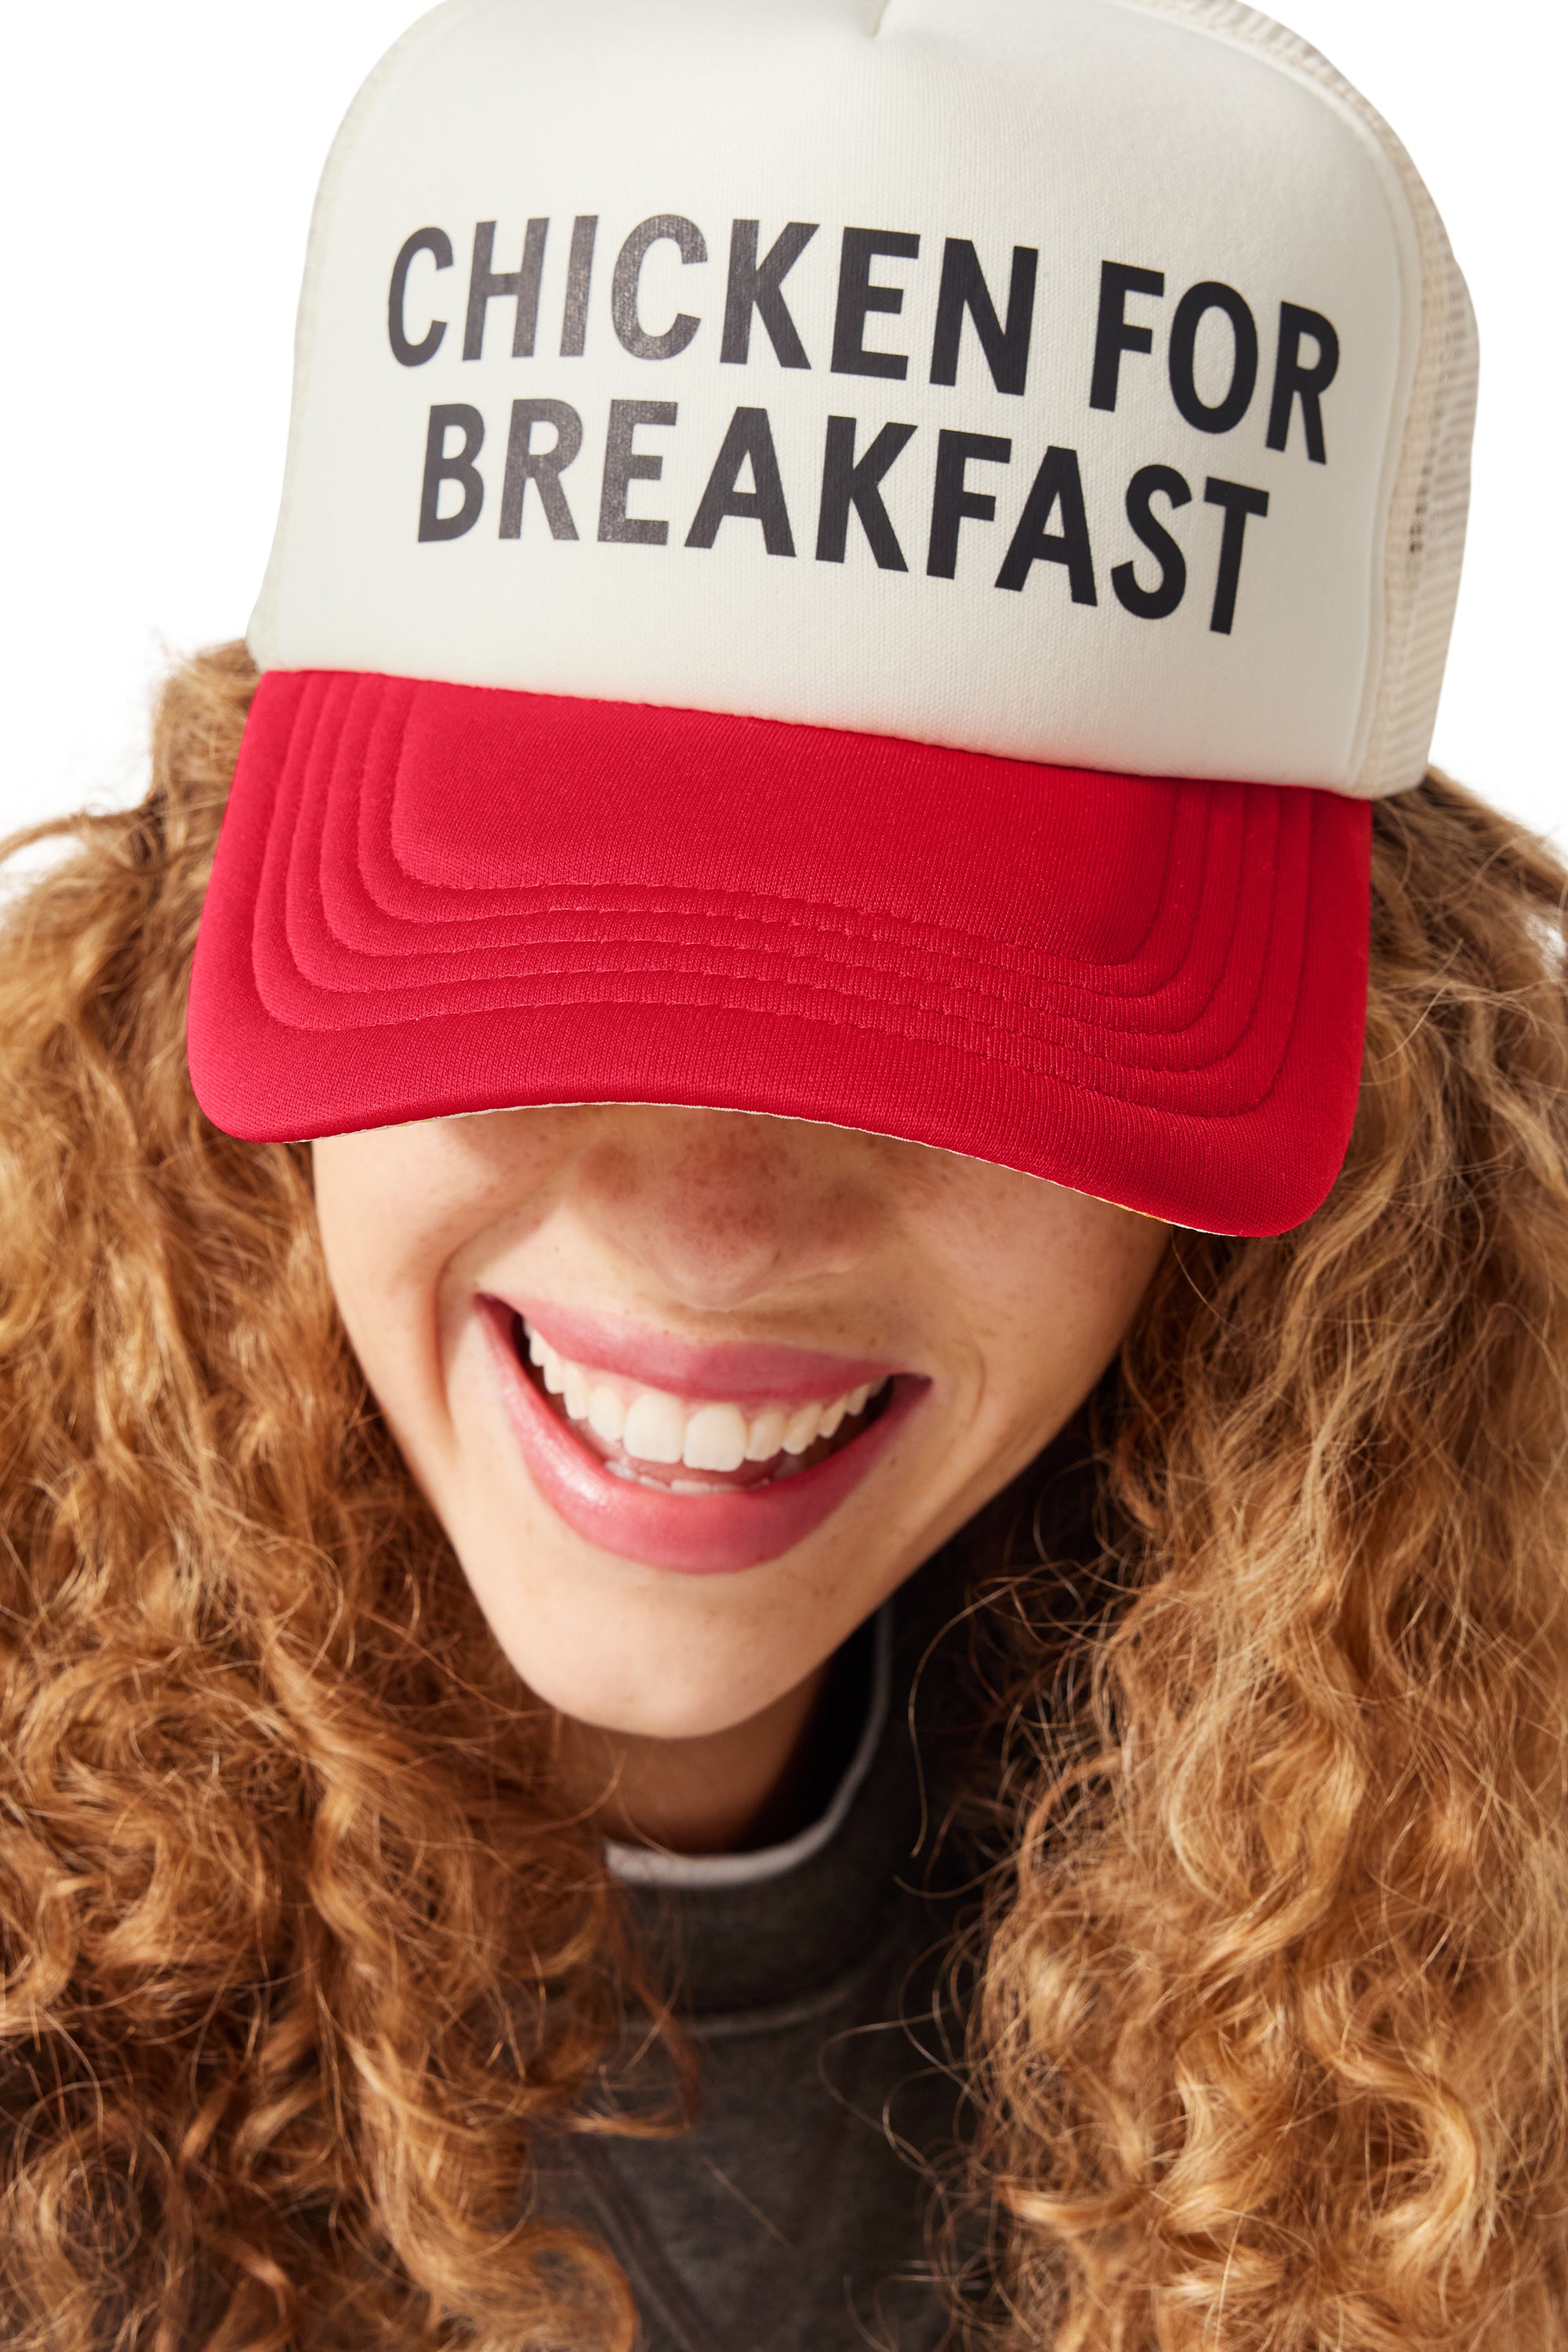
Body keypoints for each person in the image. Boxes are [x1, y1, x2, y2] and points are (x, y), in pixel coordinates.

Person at [3, 1, 1566, 2346]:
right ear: (220, 873)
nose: (711, 1232)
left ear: (1376, 1094)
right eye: (544, 960)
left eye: (959, 1023)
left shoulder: (1480, 1868)